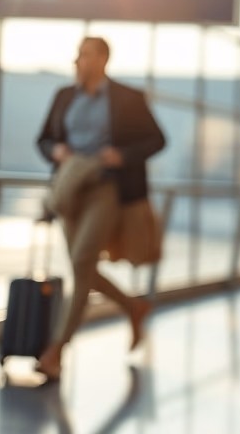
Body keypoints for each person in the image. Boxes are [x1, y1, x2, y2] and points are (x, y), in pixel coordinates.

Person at [35, 37, 165, 382]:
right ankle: (133, 306)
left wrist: (122, 155)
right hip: (69, 188)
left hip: (105, 188)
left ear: (103, 59)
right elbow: (43, 139)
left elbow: (157, 139)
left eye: (85, 55)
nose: (78, 60)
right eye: (78, 54)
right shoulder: (65, 96)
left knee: (82, 261)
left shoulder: (127, 98)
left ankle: (55, 350)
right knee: (84, 268)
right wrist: (55, 150)